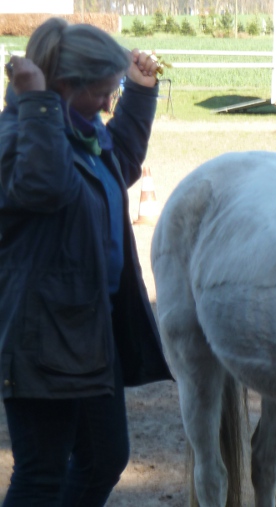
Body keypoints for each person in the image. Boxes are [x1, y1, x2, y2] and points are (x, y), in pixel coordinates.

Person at [0, 18, 172, 506]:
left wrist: (139, 92)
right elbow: (45, 186)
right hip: (42, 335)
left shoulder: (82, 131)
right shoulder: (19, 134)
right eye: (102, 92)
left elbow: (117, 165)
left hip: (89, 329)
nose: (108, 103)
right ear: (65, 87)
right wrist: (36, 101)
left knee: (102, 459)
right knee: (41, 476)